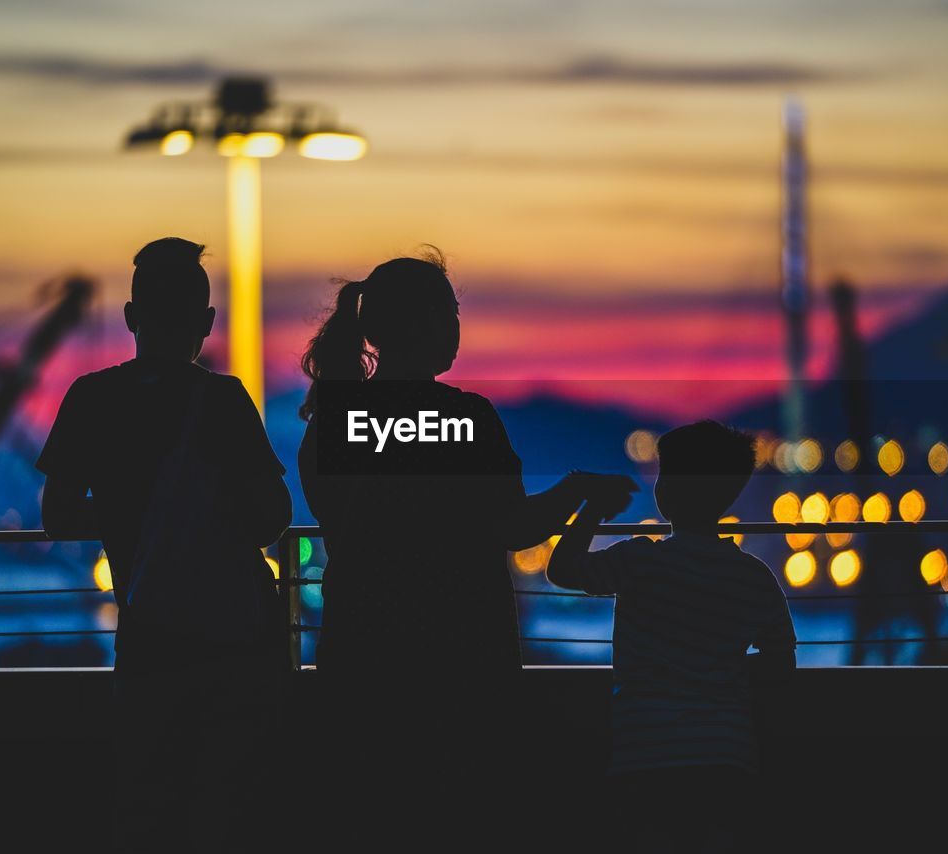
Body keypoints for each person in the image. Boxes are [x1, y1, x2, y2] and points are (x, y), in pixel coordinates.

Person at [296, 248, 634, 845]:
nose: (457, 328)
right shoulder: (464, 420)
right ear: (422, 325)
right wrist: (580, 491)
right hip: (459, 658)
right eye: (449, 314)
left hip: (360, 651)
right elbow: (512, 525)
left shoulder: (332, 420)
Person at [37, 237, 291, 851]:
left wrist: (131, 511)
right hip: (237, 639)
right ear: (206, 323)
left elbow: (57, 516)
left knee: (150, 803)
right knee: (235, 804)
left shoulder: (91, 398)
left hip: (149, 632)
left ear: (131, 318)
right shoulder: (224, 400)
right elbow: (273, 519)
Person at [547, 420, 796, 853]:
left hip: (645, 754)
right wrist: (723, 668)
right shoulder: (753, 577)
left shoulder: (639, 561)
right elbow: (781, 658)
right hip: (726, 755)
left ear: (669, 489)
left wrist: (592, 510)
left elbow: (562, 569)